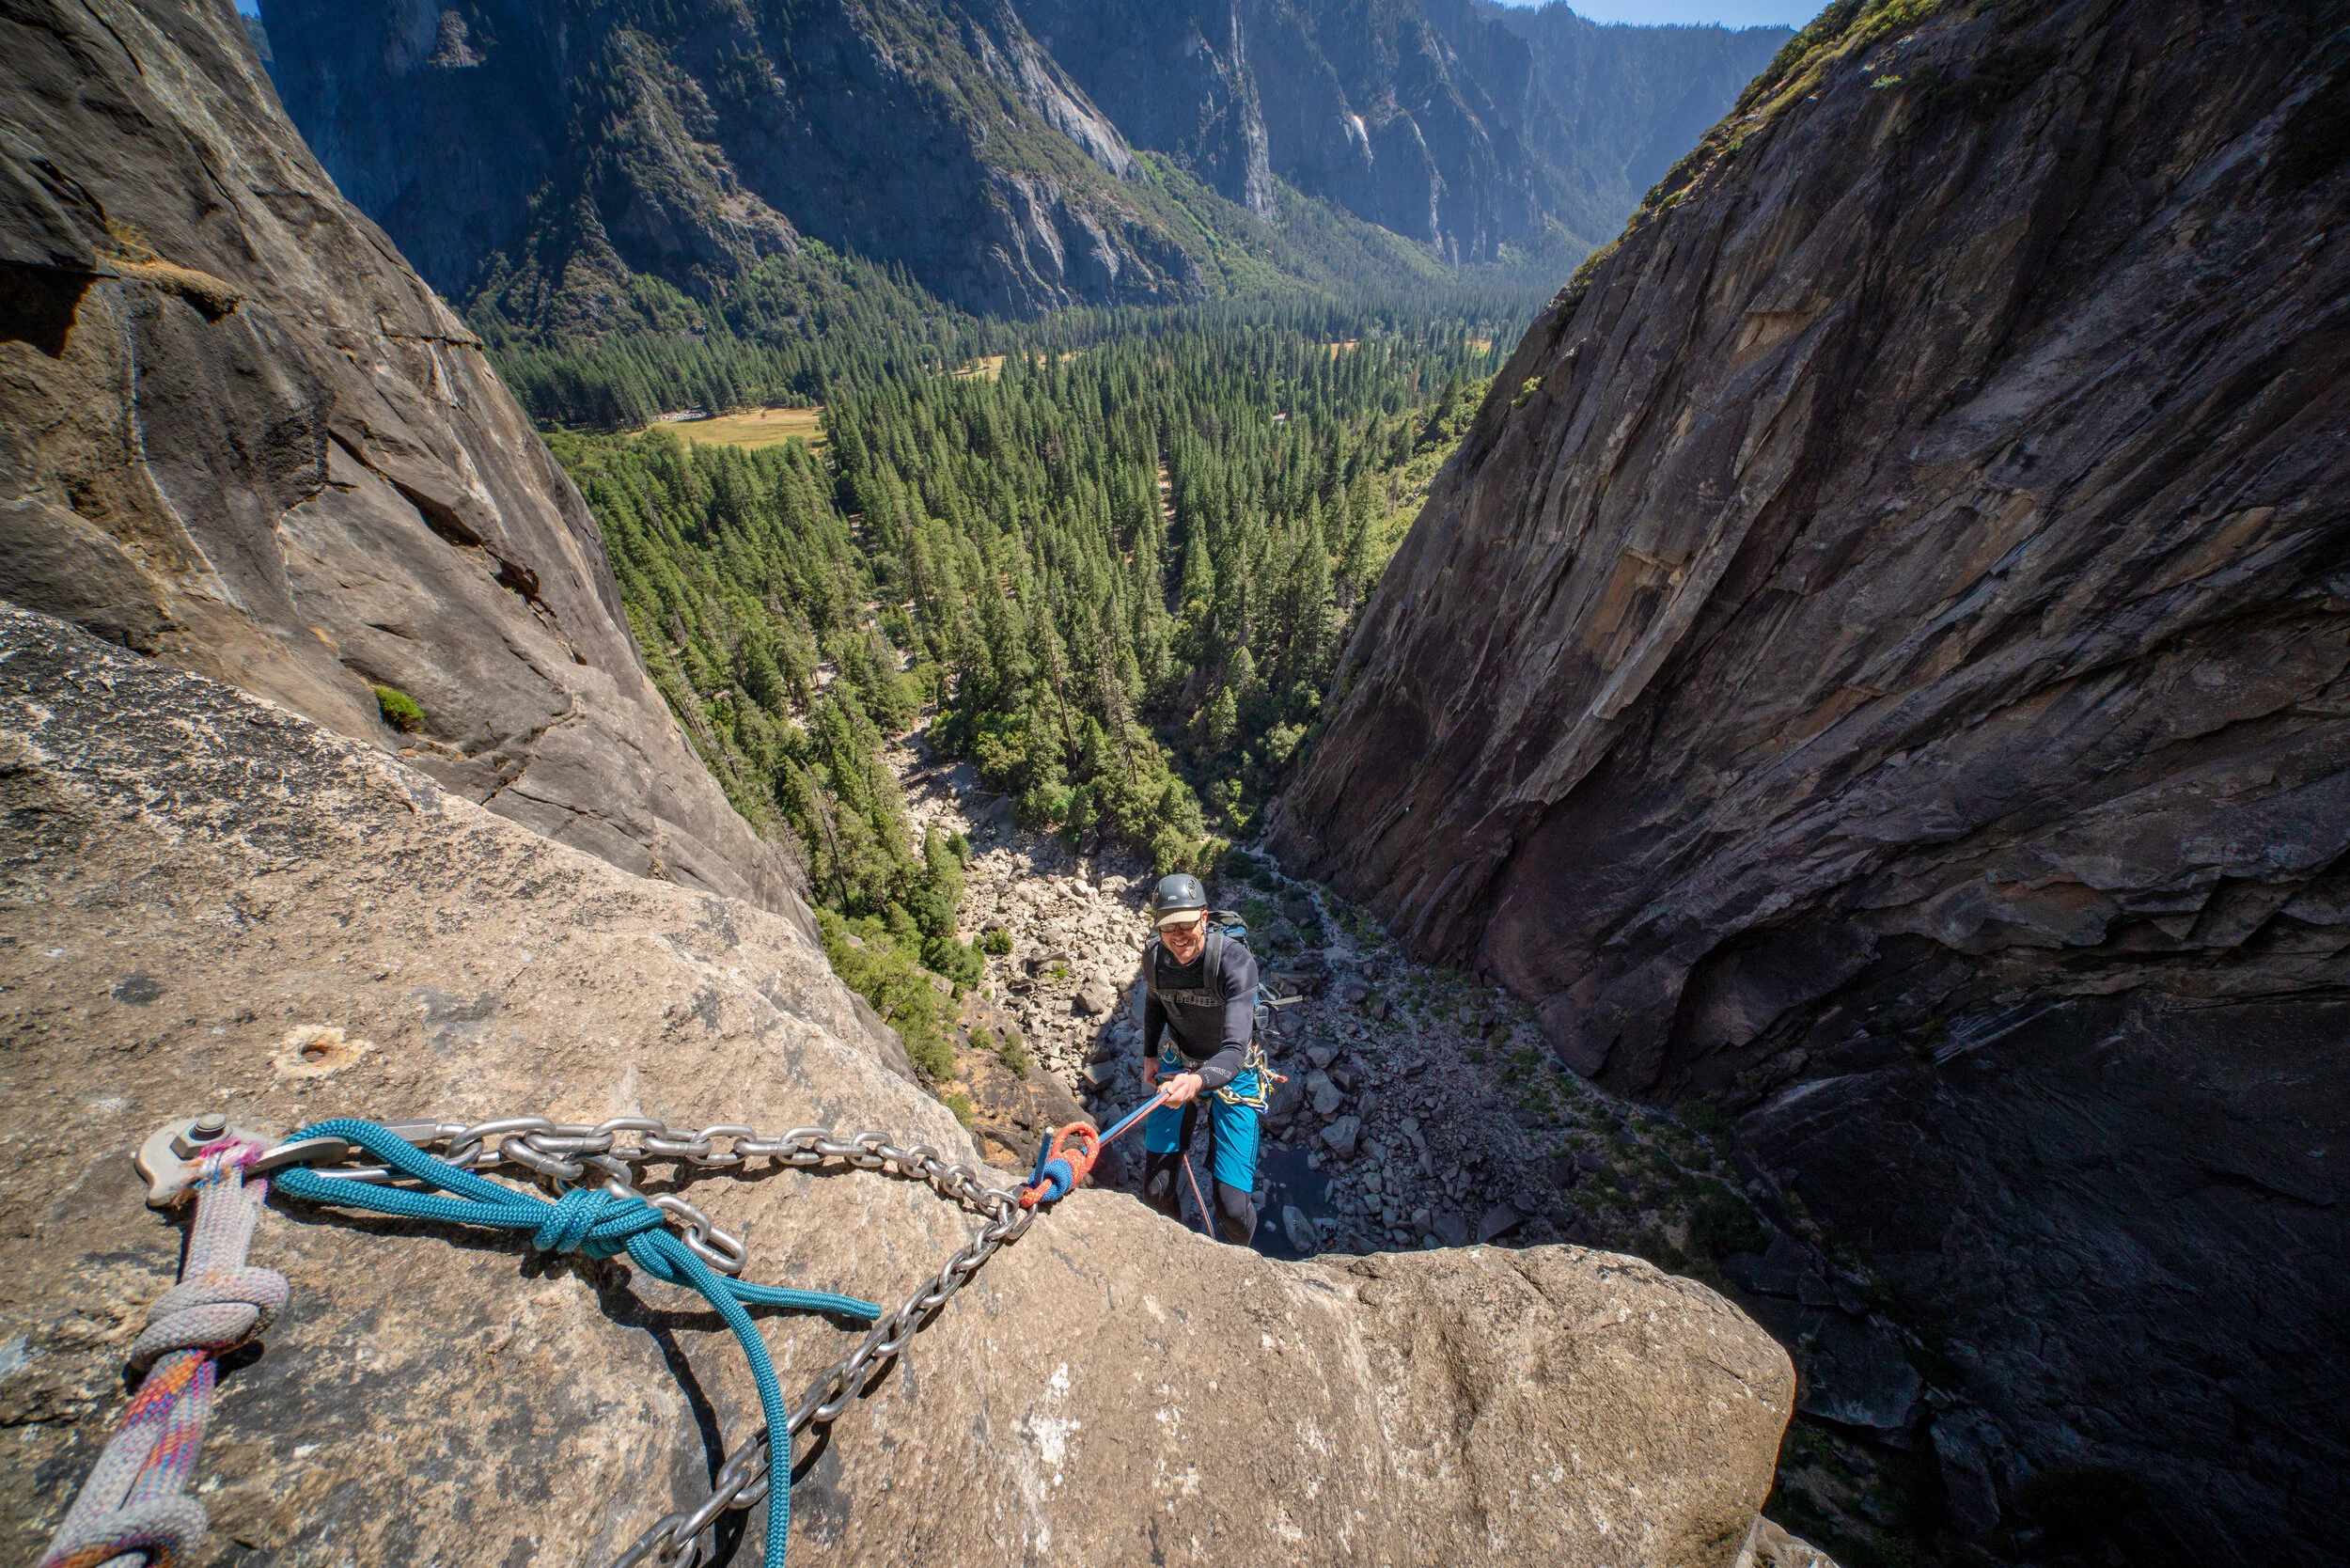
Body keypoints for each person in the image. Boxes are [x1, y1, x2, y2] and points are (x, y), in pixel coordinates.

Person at [1136, 872, 1267, 1245]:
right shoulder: (1156, 957)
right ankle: (1181, 1258)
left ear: (1205, 919)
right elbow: (1154, 1000)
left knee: (1232, 1208)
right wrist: (1149, 1055)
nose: (1179, 936)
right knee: (1155, 1194)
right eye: (1168, 927)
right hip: (1178, 1061)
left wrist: (1196, 1082)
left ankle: (1244, 1262)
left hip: (1235, 1072)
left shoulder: (1234, 963)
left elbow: (1234, 1052)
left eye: (1187, 924)